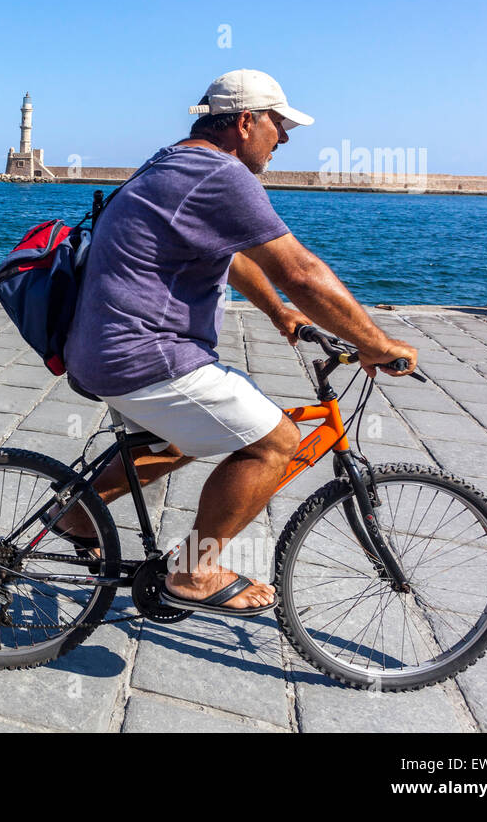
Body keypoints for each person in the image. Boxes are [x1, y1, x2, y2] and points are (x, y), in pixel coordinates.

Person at [59, 69, 418, 617]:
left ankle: (78, 515)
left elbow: (233, 253)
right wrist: (375, 342)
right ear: (246, 122)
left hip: (103, 349)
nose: (286, 138)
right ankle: (194, 570)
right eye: (280, 124)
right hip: (145, 356)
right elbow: (300, 270)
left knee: (181, 438)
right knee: (277, 441)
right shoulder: (220, 174)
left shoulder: (173, 160)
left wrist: (279, 313)